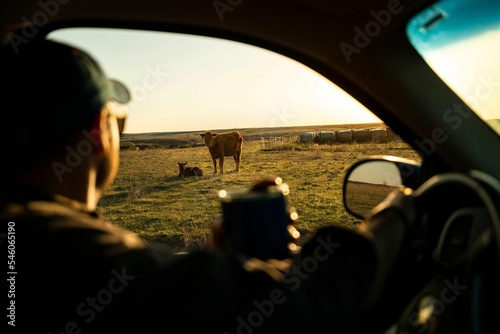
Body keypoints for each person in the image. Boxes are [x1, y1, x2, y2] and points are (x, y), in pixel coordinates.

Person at [0, 39, 416, 333]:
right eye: (118, 123)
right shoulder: (48, 243)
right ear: (98, 132)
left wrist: (226, 265)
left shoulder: (28, 235)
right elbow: (302, 310)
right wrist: (394, 215)